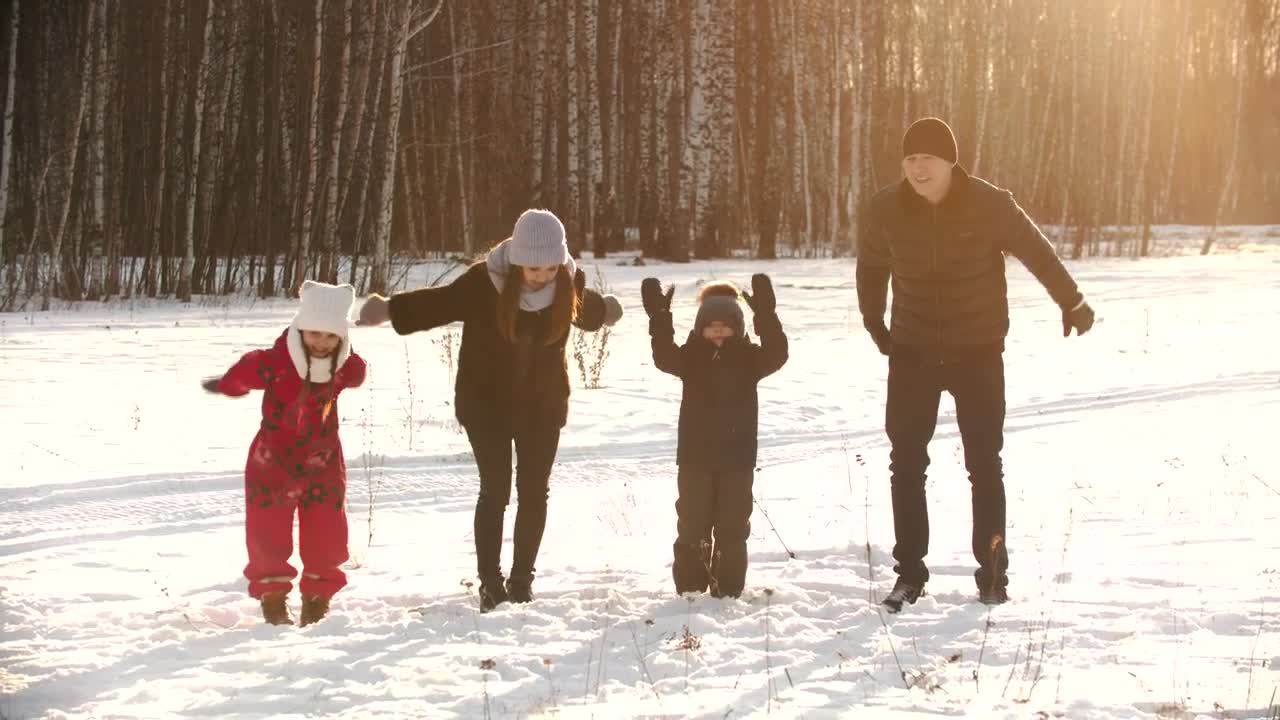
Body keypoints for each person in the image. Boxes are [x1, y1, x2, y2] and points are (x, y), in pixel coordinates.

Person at [856, 117, 1096, 612]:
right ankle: (909, 574)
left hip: (977, 353)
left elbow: (1038, 252)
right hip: (913, 353)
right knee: (906, 464)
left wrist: (1070, 301)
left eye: (927, 158)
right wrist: (874, 322)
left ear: (949, 161)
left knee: (984, 464)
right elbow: (872, 266)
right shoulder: (886, 209)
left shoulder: (990, 204)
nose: (917, 168)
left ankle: (992, 576)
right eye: (909, 159)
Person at [357, 209, 624, 612]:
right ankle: (489, 584)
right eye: (534, 268)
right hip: (487, 405)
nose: (542, 276)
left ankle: (521, 581)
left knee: (534, 493)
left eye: (550, 267)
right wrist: (392, 309)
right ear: (517, 260)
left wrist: (606, 311)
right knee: (495, 490)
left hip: (542, 406)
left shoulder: (568, 282)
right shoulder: (485, 281)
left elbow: (585, 311)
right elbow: (440, 303)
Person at [203, 280, 367, 626]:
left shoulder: (343, 367)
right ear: (300, 329)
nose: (321, 343)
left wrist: (350, 360)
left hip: (322, 462)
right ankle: (273, 596)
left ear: (342, 338)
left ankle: (317, 598)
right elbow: (244, 373)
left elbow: (358, 372)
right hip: (272, 462)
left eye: (330, 336)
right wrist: (228, 385)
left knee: (327, 533)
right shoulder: (275, 361)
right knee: (268, 533)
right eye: (313, 334)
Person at [641, 274, 788, 598]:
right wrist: (660, 319)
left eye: (726, 325)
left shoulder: (750, 360)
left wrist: (766, 315)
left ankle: (728, 588)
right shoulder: (691, 358)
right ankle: (691, 588)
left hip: (737, 460)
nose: (718, 330)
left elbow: (777, 353)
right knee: (692, 525)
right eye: (710, 325)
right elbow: (664, 356)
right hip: (695, 459)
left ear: (738, 327)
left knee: (732, 528)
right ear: (699, 328)